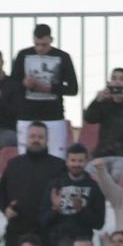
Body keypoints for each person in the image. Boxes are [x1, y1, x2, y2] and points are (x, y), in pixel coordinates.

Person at [9, 23, 78, 154]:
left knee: (56, 156)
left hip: (53, 115)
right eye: (37, 44)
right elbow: (12, 84)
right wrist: (24, 83)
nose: (40, 48)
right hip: (27, 115)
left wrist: (50, 88)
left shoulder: (63, 57)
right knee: (25, 157)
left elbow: (73, 88)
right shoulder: (23, 55)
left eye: (44, 45)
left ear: (51, 40)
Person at [0, 122, 68, 240]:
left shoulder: (59, 166)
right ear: (26, 139)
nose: (36, 140)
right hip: (18, 231)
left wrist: (58, 207)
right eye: (32, 136)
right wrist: (6, 209)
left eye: (40, 137)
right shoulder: (13, 164)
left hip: (49, 232)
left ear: (47, 140)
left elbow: (66, 196)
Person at [41, 143, 105, 246]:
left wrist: (81, 211)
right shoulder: (55, 185)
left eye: (80, 161)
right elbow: (43, 220)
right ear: (66, 161)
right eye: (73, 160)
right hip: (58, 245)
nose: (76, 164)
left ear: (86, 162)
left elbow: (99, 223)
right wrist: (55, 209)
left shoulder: (94, 187)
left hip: (84, 245)